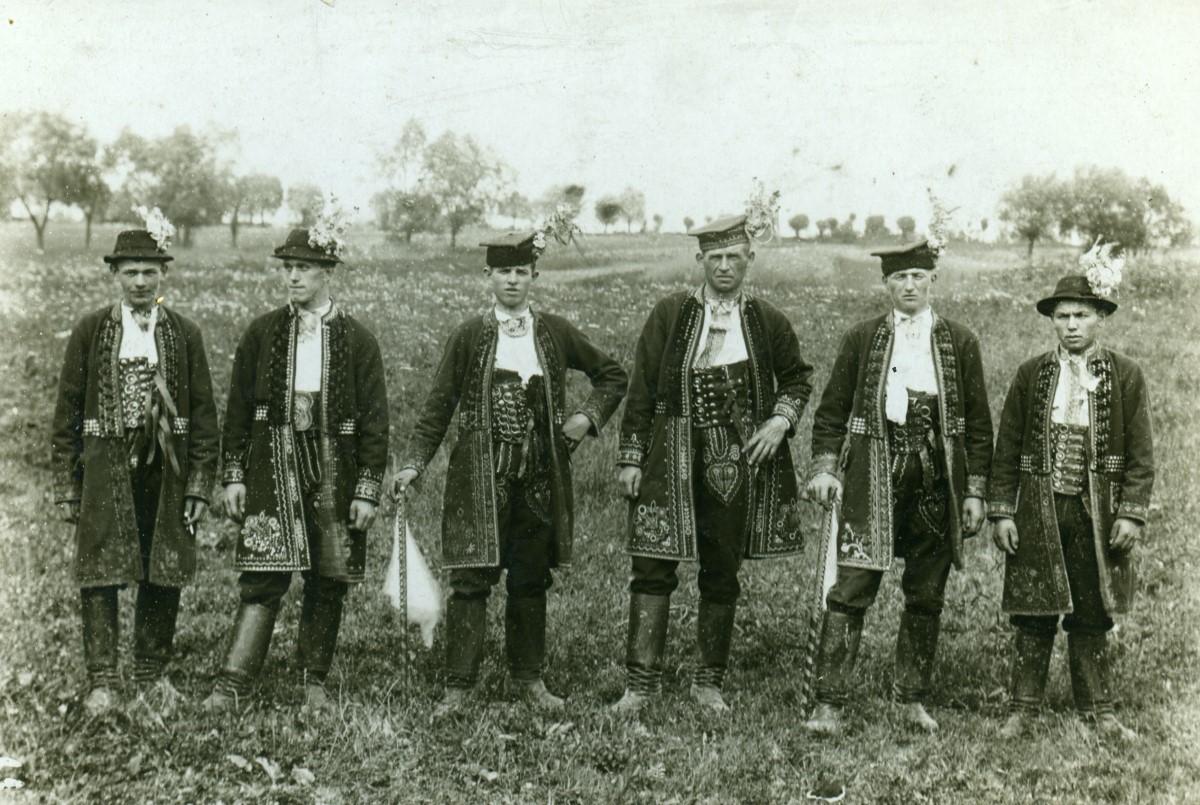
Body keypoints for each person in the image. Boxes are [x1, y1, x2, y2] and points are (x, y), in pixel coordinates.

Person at [394, 230, 627, 715]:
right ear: (489, 277)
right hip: (477, 479)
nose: (513, 281)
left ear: (534, 277)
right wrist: (415, 464)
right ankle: (458, 688)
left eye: (522, 272)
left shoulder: (556, 332)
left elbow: (612, 375)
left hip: (540, 480)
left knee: (529, 579)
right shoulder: (469, 335)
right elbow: (438, 406)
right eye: (505, 272)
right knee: (471, 579)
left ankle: (529, 680)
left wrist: (585, 419)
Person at [613, 214, 814, 715]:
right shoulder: (670, 314)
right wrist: (632, 458)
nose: (724, 266)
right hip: (670, 450)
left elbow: (796, 379)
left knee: (722, 568)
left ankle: (709, 682)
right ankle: (640, 684)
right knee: (652, 563)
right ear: (700, 260)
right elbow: (641, 390)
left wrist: (778, 423)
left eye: (734, 257)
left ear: (750, 258)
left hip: (735, 455)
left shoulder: (767, 320)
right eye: (715, 257)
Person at [803, 238, 993, 734]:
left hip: (936, 486)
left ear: (934, 281)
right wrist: (825, 467)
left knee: (927, 592)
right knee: (850, 587)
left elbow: (977, 425)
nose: (909, 286)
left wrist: (973, 490)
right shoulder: (862, 338)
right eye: (898, 278)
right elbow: (829, 414)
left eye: (917, 277)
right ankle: (829, 703)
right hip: (873, 480)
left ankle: (911, 700)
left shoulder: (961, 341)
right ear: (885, 284)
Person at [203, 226, 389, 713]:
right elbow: (239, 410)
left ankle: (314, 684)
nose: (292, 277)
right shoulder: (263, 332)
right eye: (287, 268)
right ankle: (233, 683)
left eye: (302, 268)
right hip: (271, 461)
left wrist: (367, 489)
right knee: (264, 573)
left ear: (328, 272)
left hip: (335, 465)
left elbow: (376, 422)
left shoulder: (360, 340)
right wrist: (234, 474)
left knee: (328, 575)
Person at [51, 214, 219, 716]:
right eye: (131, 273)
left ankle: (150, 675)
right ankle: (103, 680)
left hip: (165, 471)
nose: (141, 283)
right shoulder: (91, 330)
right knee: (100, 569)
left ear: (163, 275)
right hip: (105, 468)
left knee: (161, 566)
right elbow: (66, 412)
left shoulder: (184, 334)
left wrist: (199, 485)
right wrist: (68, 487)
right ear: (115, 276)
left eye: (149, 272)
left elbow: (205, 415)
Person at [989, 272, 1153, 741]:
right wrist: (1002, 510)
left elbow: (1142, 455)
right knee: (1034, 608)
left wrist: (1130, 511)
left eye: (1082, 315)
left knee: (1091, 610)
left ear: (1100, 317)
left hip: (1095, 513)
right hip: (1040, 510)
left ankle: (1099, 711)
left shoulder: (1125, 374)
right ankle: (1022, 710)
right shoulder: (1032, 374)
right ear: (1052, 322)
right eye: (1062, 317)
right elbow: (1007, 448)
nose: (1072, 325)